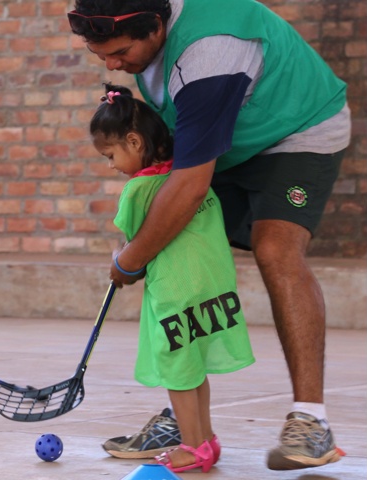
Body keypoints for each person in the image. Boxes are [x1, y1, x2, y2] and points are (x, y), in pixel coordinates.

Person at [68, 0, 350, 471]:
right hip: (228, 135)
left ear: (155, 27)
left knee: (275, 247)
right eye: (102, 56)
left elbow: (190, 185)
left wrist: (130, 259)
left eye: (119, 52)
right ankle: (188, 422)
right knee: (178, 258)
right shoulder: (149, 34)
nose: (112, 66)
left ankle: (311, 422)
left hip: (296, 131)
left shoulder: (211, 51)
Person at [92, 84, 255, 473]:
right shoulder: (190, 179)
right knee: (193, 365)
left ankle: (192, 446)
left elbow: (137, 253)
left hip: (176, 292)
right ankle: (207, 440)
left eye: (110, 155)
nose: (111, 165)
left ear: (134, 142)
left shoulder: (139, 190)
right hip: (210, 285)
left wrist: (120, 263)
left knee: (177, 369)